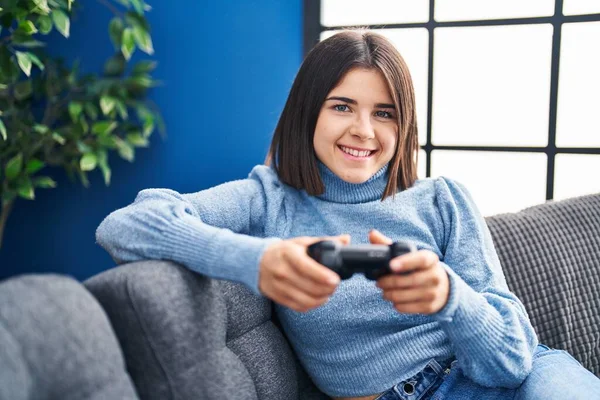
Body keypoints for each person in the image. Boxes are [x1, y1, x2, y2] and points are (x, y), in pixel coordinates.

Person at [95, 30, 600, 400]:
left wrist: (449, 295)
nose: (364, 129)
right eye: (342, 106)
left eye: (385, 113)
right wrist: (256, 259)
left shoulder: (442, 198)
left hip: (525, 383)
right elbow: (124, 224)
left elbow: (513, 362)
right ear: (308, 111)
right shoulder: (270, 199)